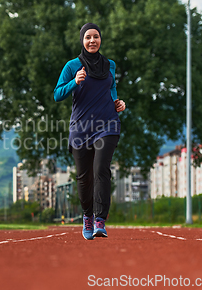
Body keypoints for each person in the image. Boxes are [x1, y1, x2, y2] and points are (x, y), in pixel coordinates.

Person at [54, 23, 125, 240]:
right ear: (82, 41)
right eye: (88, 37)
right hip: (81, 128)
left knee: (101, 169)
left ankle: (100, 219)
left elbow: (111, 89)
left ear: (101, 39)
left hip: (107, 124)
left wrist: (117, 102)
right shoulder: (72, 65)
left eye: (96, 36)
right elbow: (57, 94)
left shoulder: (109, 65)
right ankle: (87, 217)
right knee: (84, 178)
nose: (92, 40)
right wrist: (74, 82)